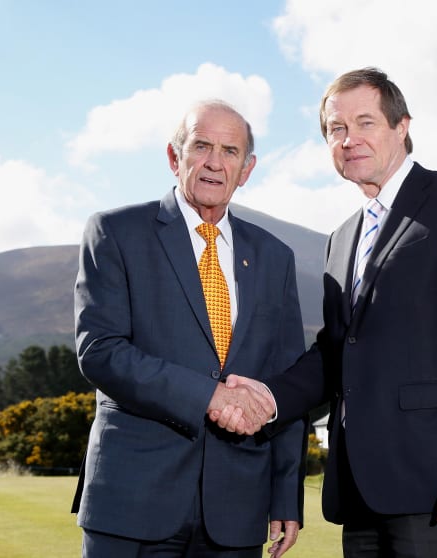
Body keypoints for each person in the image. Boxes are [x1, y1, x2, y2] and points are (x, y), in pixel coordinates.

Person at [214, 68, 437, 557]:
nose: (349, 139)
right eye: (336, 130)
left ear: (402, 126)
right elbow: (337, 352)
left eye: (365, 123)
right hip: (360, 493)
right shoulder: (341, 239)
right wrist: (270, 396)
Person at [72, 99, 306, 558]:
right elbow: (100, 350)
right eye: (201, 146)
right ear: (174, 156)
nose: (215, 163)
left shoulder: (275, 257)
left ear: (247, 168)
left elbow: (286, 380)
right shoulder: (116, 232)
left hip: (236, 510)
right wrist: (210, 396)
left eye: (230, 151)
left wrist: (284, 494)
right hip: (134, 501)